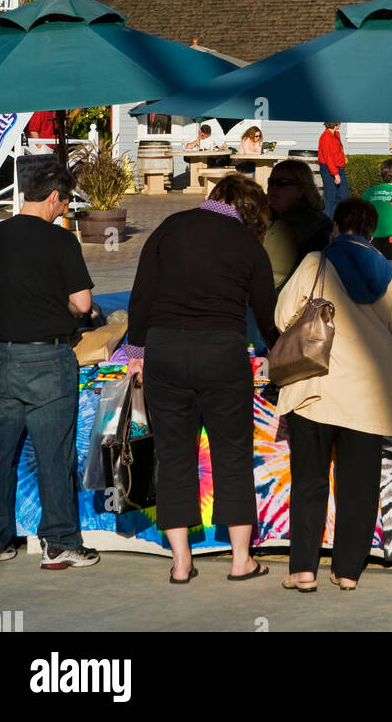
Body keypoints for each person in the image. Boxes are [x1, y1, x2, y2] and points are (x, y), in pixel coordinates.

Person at [126, 174, 277, 584]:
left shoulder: (170, 227)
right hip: (222, 355)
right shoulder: (247, 244)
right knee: (232, 453)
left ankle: (180, 563)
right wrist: (279, 352)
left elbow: (141, 294)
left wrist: (136, 352)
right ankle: (241, 560)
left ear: (214, 196)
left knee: (173, 456)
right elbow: (267, 314)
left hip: (166, 353)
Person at [275, 197, 392, 592]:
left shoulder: (317, 261)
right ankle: (347, 571)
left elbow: (282, 318)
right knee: (360, 486)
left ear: (335, 226)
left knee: (310, 480)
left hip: (318, 386)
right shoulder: (389, 273)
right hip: (369, 394)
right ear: (372, 232)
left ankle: (303, 570)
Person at [0, 161, 100, 570]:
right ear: (53, 197)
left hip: (1, 356)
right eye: (65, 203)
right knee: (54, 455)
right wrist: (61, 304)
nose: (64, 210)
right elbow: (83, 304)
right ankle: (59, 543)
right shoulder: (61, 241)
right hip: (49, 358)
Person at [264, 159, 332, 288]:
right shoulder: (262, 217)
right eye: (271, 182)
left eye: (282, 183)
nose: (273, 188)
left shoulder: (316, 228)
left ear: (302, 189)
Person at [317, 122, 349, 219]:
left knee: (343, 195)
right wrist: (335, 174)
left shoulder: (335, 135)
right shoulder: (326, 137)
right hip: (329, 169)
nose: (341, 123)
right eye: (339, 122)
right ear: (335, 124)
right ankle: (329, 223)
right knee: (331, 197)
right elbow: (328, 158)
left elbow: (336, 152)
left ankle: (340, 221)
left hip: (339, 168)